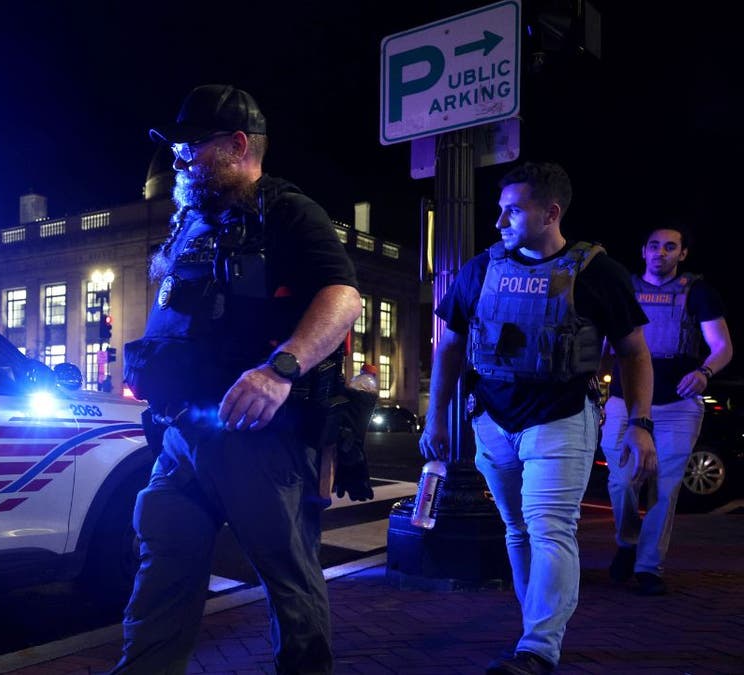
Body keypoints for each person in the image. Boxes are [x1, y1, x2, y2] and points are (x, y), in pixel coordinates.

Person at [117, 84, 362, 674]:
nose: (180, 160)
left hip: (260, 439)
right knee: (161, 573)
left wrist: (280, 370)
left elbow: (344, 297)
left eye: (192, 147)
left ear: (238, 145)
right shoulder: (192, 222)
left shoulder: (285, 211)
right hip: (183, 434)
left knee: (288, 582)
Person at [418, 161, 657, 675]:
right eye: (499, 211)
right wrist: (436, 417)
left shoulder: (597, 272)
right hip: (492, 421)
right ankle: (534, 633)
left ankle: (538, 650)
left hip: (561, 417)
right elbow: (450, 347)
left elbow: (635, 352)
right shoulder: (480, 270)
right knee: (517, 529)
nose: (499, 222)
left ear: (550, 213)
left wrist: (640, 423)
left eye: (512, 211)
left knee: (551, 528)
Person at [600, 225, 733, 595]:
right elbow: (602, 340)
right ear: (643, 250)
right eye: (654, 246)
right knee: (622, 481)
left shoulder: (698, 292)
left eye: (670, 247)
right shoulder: (623, 288)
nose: (661, 253)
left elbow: (722, 345)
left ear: (683, 254)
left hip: (677, 405)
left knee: (665, 487)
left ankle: (649, 567)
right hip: (625, 402)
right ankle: (627, 542)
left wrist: (705, 372)